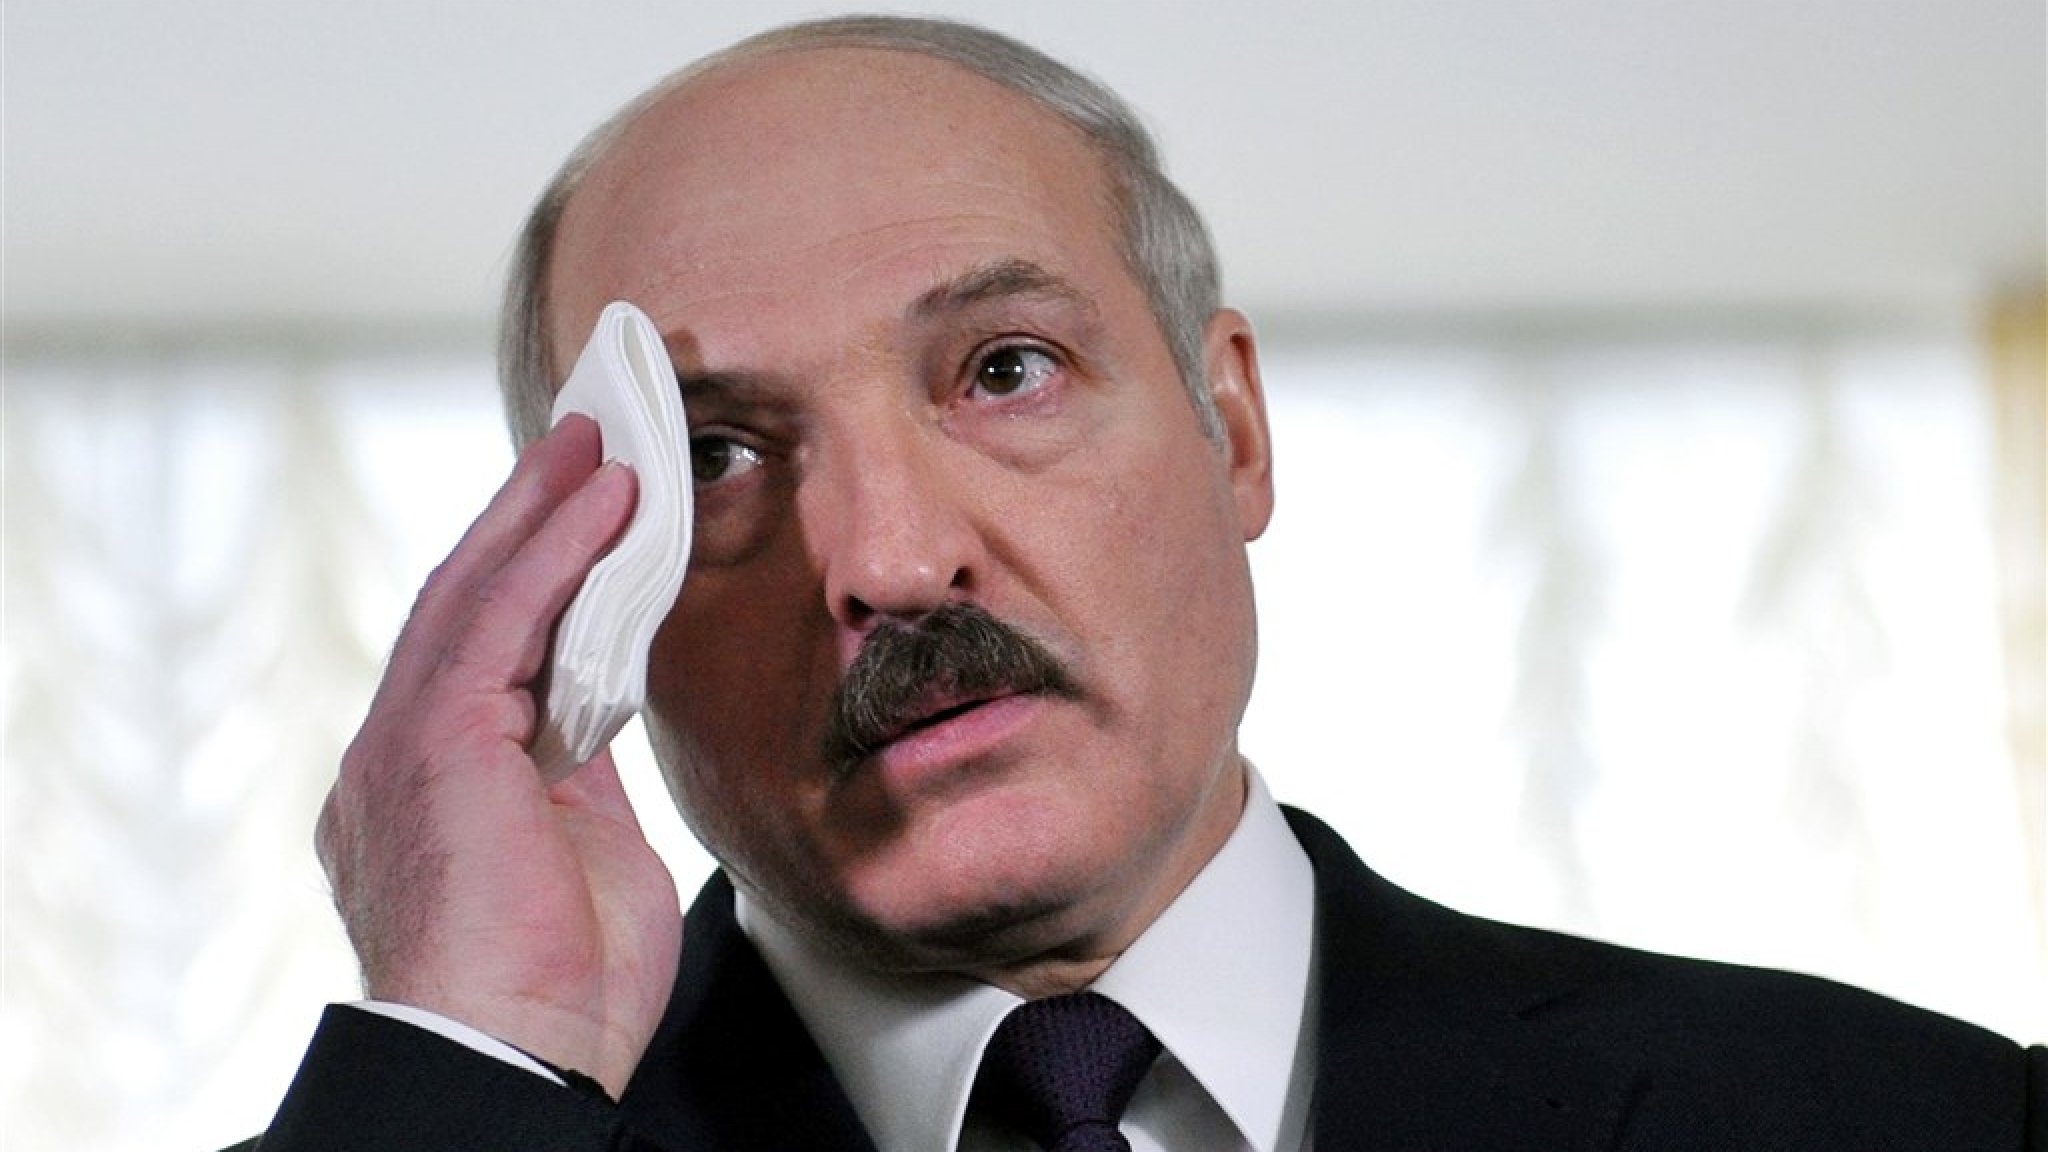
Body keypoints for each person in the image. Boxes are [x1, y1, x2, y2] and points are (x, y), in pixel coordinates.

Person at [238, 15, 2040, 1152]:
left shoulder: (1925, 1120)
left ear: (1230, 428)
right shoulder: (451, 1120)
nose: (886, 560)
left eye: (1004, 369)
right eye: (715, 455)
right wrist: (478, 1052)